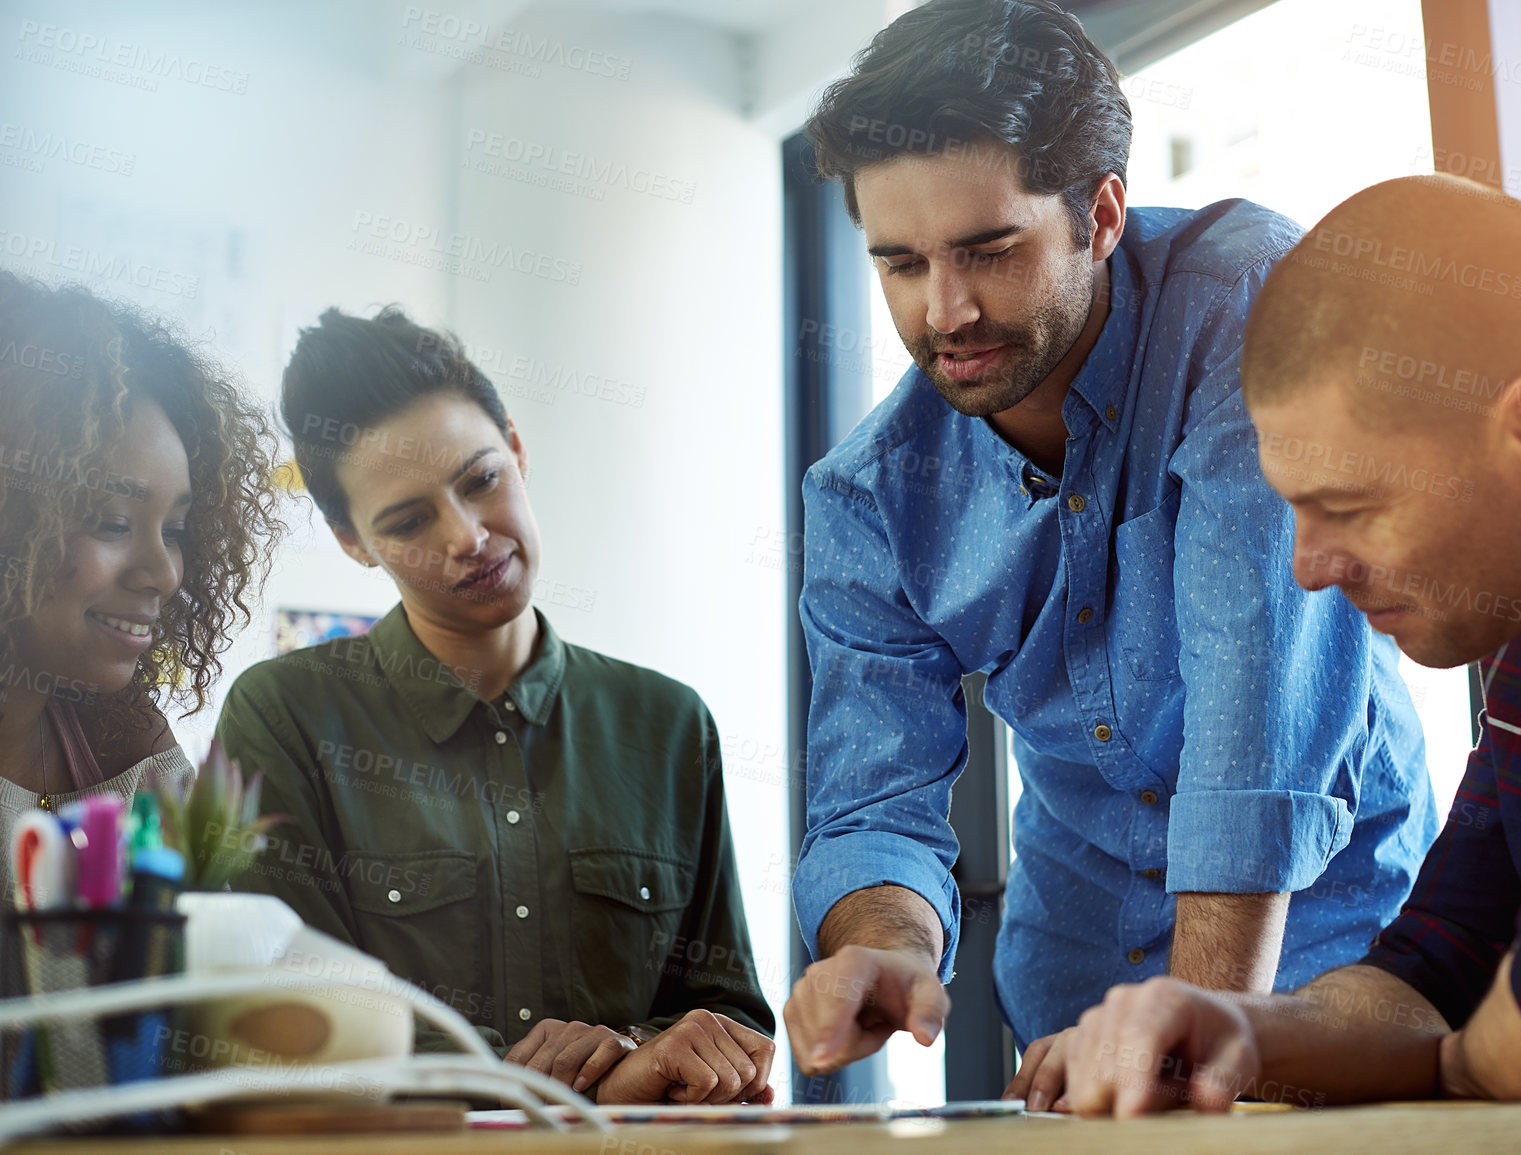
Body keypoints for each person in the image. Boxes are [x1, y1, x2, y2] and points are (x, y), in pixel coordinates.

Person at [782, 0, 1436, 1102]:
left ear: (1102, 212)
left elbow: (1255, 708)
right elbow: (872, 804)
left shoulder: (1245, 300)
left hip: (1333, 961)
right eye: (900, 265)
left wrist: (1194, 1034)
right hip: (1072, 984)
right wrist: (885, 942)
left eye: (990, 251)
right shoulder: (870, 497)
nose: (945, 311)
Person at [1058, 174, 1521, 1116]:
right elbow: (1433, 965)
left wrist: (1465, 1063)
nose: (1307, 569)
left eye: (1348, 508)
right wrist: (1233, 1030)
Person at [215, 307, 776, 1104]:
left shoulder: (667, 723)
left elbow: (732, 1013)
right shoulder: (286, 719)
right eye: (409, 520)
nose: (469, 536)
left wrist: (647, 1048)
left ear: (515, 448)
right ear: (351, 541)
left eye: (480, 479)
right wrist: (544, 1077)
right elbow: (295, 1025)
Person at [0, 271, 279, 896]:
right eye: (112, 522)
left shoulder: (123, 742)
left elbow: (204, 955)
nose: (164, 573)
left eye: (175, 529)